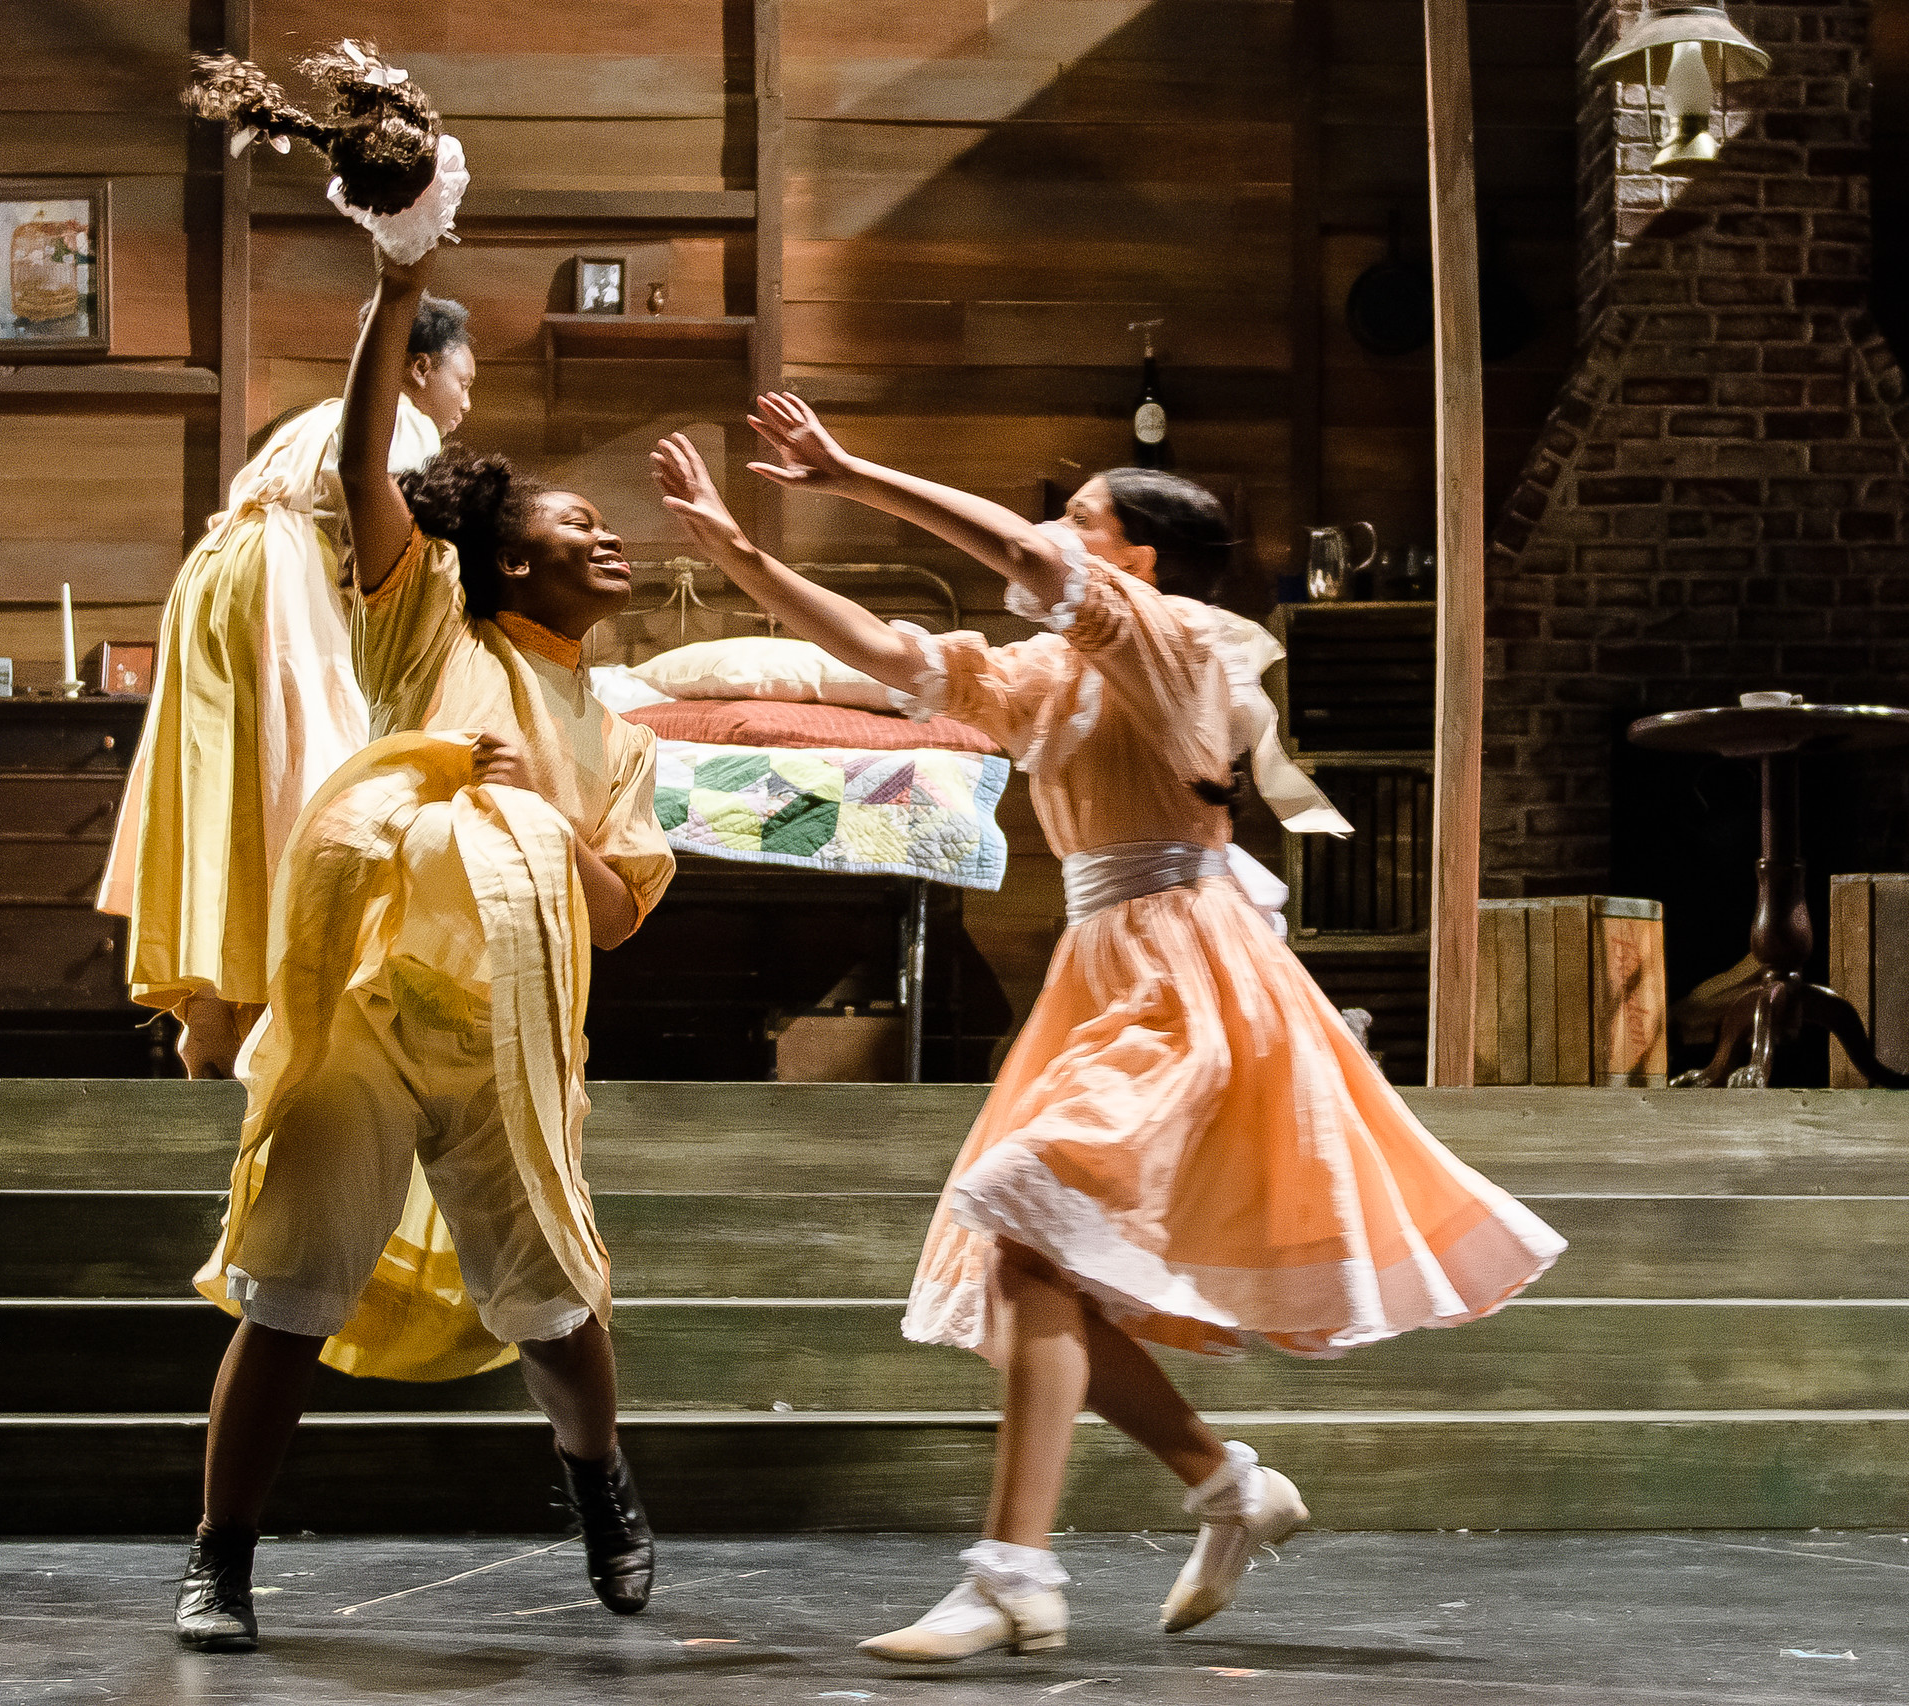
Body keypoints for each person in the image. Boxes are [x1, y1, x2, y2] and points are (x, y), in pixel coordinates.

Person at [651, 400, 1563, 1662]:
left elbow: (1025, 562)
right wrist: (743, 554)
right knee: (1035, 1263)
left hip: (1186, 967)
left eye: (1080, 517)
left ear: (1136, 557)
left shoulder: (1171, 639)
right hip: (1102, 966)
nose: (1051, 530)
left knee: (1026, 1217)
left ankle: (1017, 1573)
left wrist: (851, 470)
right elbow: (895, 654)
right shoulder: (1054, 674)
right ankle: (1225, 1485)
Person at [172, 241, 674, 1653]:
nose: (612, 540)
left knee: (555, 1295)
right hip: (367, 1010)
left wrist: (535, 812)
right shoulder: (429, 627)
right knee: (287, 1286)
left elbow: (618, 911)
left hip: (509, 1033)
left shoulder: (620, 740)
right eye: (582, 523)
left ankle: (597, 1480)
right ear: (511, 557)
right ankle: (219, 1557)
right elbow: (360, 472)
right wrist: (398, 286)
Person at [96, 292, 476, 1078]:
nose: (465, 403)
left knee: (225, 778)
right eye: (462, 382)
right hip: (279, 582)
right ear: (417, 368)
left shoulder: (320, 417)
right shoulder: (397, 421)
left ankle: (213, 1008)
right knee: (302, 773)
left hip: (220, 575)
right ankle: (276, 998)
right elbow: (385, 537)